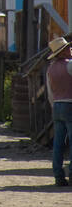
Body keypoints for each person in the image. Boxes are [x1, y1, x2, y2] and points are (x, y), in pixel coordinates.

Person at [46, 34, 72, 187]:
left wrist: (53, 105)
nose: (70, 49)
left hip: (57, 105)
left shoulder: (50, 69)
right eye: (67, 48)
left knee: (58, 143)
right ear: (62, 52)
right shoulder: (69, 65)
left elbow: (50, 92)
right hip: (70, 104)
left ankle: (58, 175)